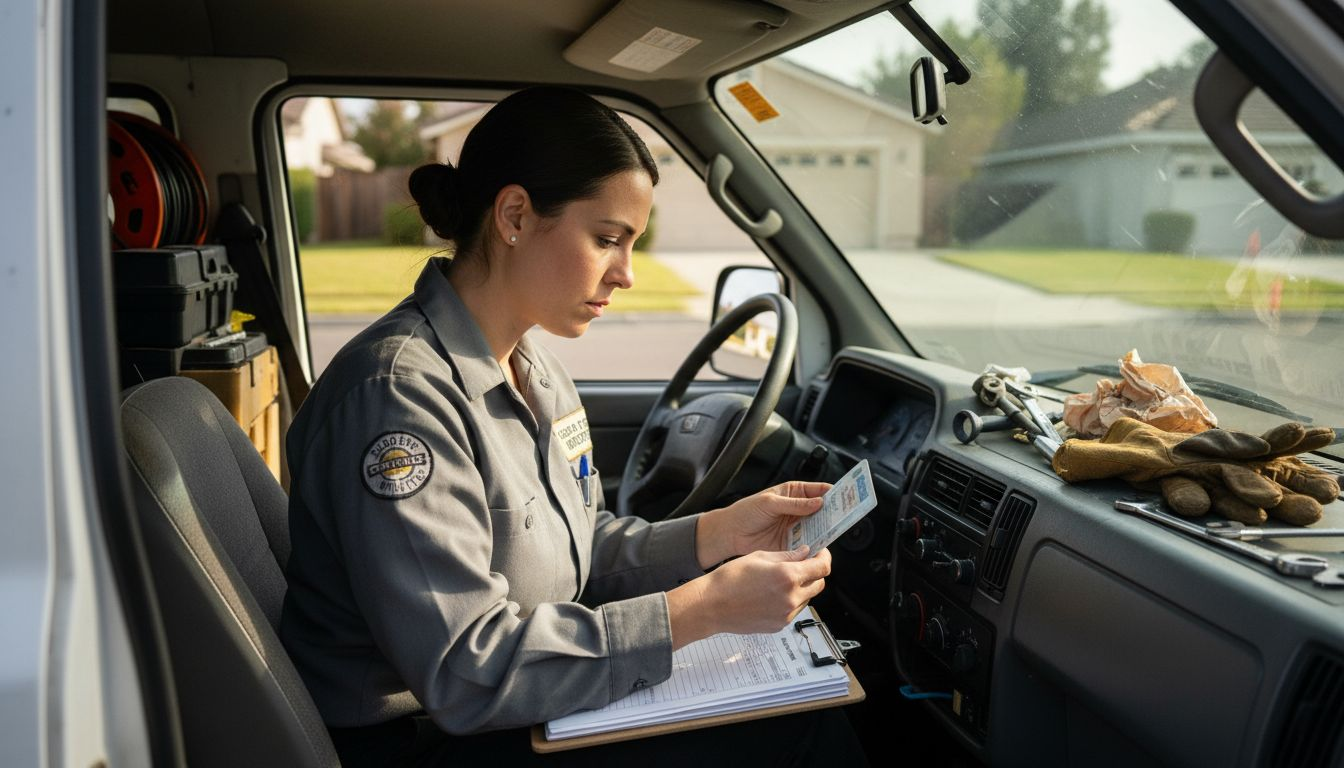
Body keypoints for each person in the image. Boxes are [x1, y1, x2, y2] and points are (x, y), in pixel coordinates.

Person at [279, 86, 866, 767]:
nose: (626, 275)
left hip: (512, 709)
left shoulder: (538, 369)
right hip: (427, 738)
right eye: (607, 239)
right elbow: (467, 674)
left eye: (632, 245)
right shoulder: (399, 400)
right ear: (516, 215)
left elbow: (578, 546)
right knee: (800, 732)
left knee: (799, 704)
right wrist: (700, 611)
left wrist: (715, 535)